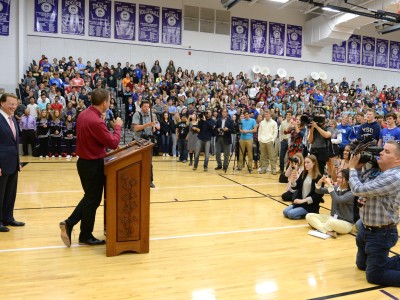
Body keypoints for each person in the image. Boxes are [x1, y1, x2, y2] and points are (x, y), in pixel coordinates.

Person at [59, 89, 123, 247]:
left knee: (91, 199)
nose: (110, 103)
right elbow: (113, 143)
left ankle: (80, 231)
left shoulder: (84, 114)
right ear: (104, 103)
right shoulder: (96, 121)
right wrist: (117, 127)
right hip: (93, 164)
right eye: (109, 100)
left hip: (84, 162)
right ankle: (74, 226)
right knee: (92, 200)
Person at [349, 140, 400, 286]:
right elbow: (365, 189)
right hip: (366, 230)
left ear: (398, 159)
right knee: (362, 266)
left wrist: (352, 169)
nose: (381, 153)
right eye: (382, 150)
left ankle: (379, 265)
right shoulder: (381, 173)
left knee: (374, 276)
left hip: (381, 233)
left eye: (387, 151)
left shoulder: (395, 177)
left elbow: (358, 189)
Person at [0, 93, 25, 232]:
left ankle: (8, 218)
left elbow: (13, 143)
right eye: (10, 104)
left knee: (10, 193)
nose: (13, 107)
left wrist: (18, 161)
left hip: (13, 163)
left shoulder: (12, 119)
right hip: (1, 164)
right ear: (2, 103)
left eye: (15, 104)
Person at [307, 169, 355, 238]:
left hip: (345, 223)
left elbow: (337, 199)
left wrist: (329, 185)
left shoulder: (351, 193)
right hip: (332, 218)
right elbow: (318, 190)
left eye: (341, 178)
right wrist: (321, 180)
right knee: (309, 216)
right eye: (337, 177)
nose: (338, 179)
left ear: (348, 180)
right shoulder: (335, 188)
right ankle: (328, 232)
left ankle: (321, 228)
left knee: (331, 222)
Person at [283, 155, 323, 220]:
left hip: (310, 205)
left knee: (291, 214)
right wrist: (293, 180)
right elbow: (296, 186)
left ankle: (309, 214)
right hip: (300, 202)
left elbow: (318, 196)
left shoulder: (318, 177)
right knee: (285, 212)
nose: (306, 164)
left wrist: (302, 201)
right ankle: (301, 212)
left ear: (314, 163)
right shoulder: (304, 174)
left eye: (308, 162)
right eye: (305, 162)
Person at [132, 100, 159, 188]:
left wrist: (154, 126)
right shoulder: (137, 114)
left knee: (149, 162)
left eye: (148, 106)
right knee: (137, 161)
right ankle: (136, 180)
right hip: (138, 140)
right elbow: (136, 128)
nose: (147, 108)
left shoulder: (152, 115)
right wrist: (148, 124)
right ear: (141, 107)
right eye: (145, 106)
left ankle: (150, 180)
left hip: (148, 140)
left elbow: (154, 129)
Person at [258, 109, 278, 175]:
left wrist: (272, 140)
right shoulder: (262, 123)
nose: (266, 115)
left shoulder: (274, 123)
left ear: (270, 114)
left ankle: (273, 169)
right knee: (263, 156)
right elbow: (259, 132)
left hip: (270, 141)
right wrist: (259, 140)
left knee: (272, 157)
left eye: (267, 114)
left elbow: (275, 132)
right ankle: (264, 169)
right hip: (262, 141)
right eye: (265, 114)